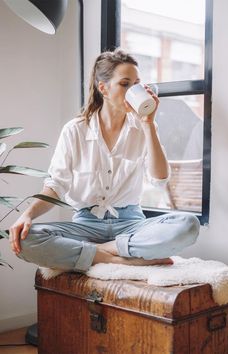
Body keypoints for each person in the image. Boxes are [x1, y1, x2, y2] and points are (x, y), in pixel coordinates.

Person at [9, 48, 200, 272]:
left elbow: (160, 179)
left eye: (137, 84)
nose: (133, 90)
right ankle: (114, 257)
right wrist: (27, 215)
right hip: (86, 225)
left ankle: (102, 250)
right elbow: (55, 187)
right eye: (125, 83)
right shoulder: (75, 130)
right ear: (104, 88)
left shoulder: (144, 127)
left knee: (188, 225)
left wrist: (148, 124)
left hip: (131, 223)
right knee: (26, 238)